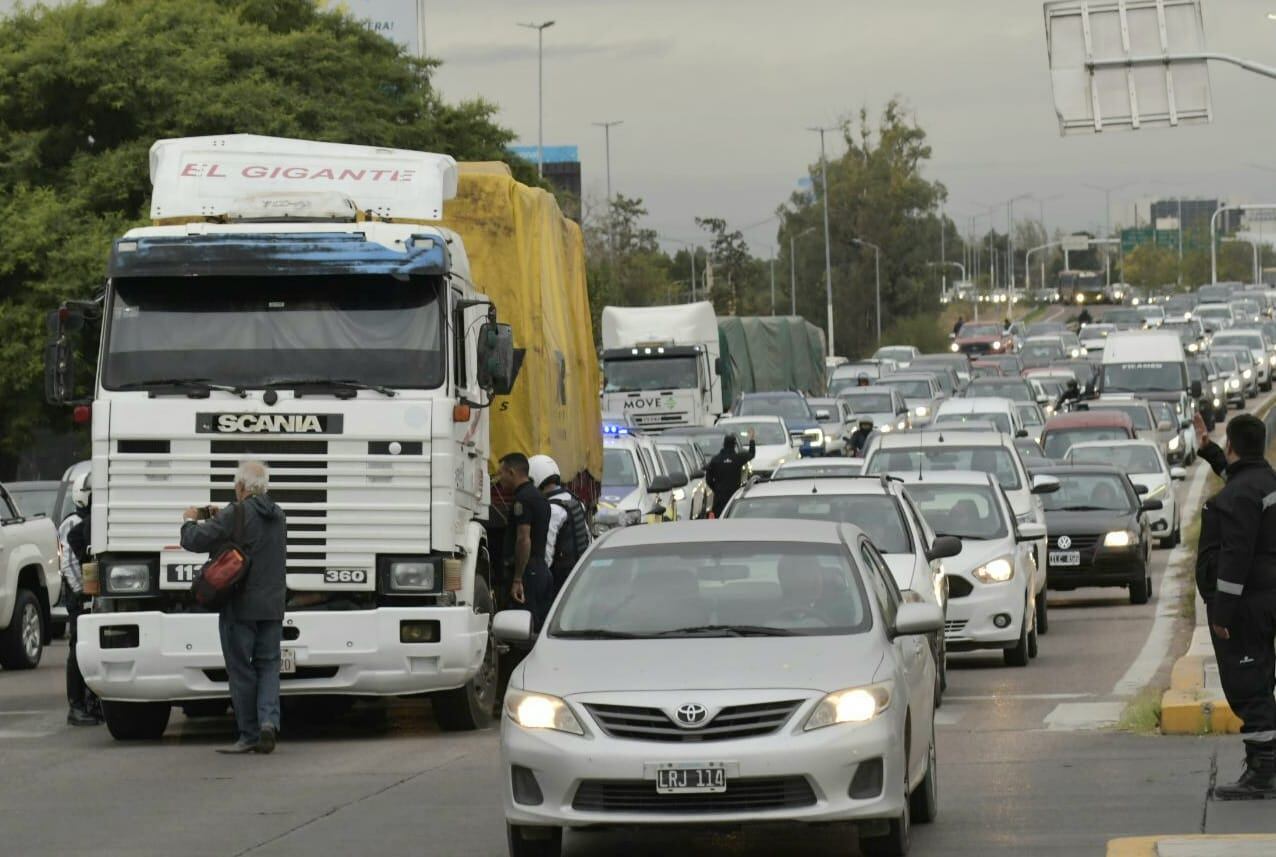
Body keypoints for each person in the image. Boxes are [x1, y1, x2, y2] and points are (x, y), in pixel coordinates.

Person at [1192, 413, 1276, 799]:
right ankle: (1265, 766)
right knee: (1258, 680)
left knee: (1249, 686)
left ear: (1234, 446)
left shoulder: (1240, 495)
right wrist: (1208, 450)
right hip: (1263, 600)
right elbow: (1239, 480)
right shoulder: (1263, 482)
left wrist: (1223, 612)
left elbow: (1236, 556)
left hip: (1246, 608)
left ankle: (1264, 773)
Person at [181, 461, 287, 755]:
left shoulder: (236, 512)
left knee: (241, 669)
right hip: (273, 605)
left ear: (241, 487)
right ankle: (268, 722)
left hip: (240, 606)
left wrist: (190, 520)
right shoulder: (278, 515)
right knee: (268, 666)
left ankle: (249, 734)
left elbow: (195, 540)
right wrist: (224, 518)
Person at [59, 473, 100, 727]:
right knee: (77, 648)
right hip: (79, 594)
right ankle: (76, 706)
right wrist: (80, 591)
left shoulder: (91, 521)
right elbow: (68, 562)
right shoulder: (73, 523)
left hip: (90, 592)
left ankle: (92, 702)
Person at [498, 452, 554, 631]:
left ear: (512, 473)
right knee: (538, 625)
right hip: (540, 570)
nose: (500, 480)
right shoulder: (540, 497)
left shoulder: (523, 500)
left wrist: (517, 579)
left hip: (528, 574)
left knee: (522, 630)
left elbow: (524, 539)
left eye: (502, 474)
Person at [528, 454, 592, 594]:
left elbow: (547, 552)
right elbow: (587, 537)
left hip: (561, 579)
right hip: (579, 573)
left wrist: (538, 582)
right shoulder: (574, 500)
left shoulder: (552, 510)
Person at [705, 431, 755, 517]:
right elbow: (751, 454)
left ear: (723, 444)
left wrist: (716, 488)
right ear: (734, 445)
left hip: (719, 496)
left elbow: (708, 479)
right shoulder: (738, 458)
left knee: (719, 518)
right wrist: (752, 440)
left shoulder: (716, 460)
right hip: (734, 495)